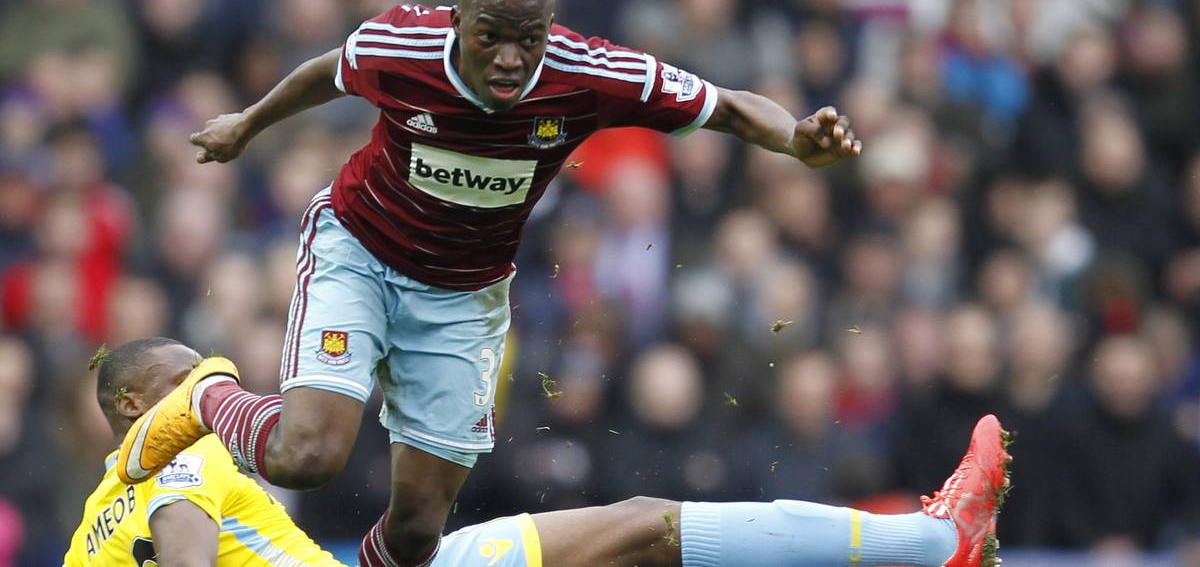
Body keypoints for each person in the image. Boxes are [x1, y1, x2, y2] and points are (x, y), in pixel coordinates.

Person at [116, 0, 865, 567]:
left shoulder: (592, 73)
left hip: (462, 299)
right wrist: (247, 124)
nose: (511, 59)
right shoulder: (399, 44)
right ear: (458, 18)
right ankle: (204, 394)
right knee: (304, 455)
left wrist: (796, 137)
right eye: (491, 36)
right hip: (360, 252)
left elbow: (728, 104)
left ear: (550, 29)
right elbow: (328, 71)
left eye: (529, 39)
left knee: (415, 534)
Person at [78, 338, 1011, 567]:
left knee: (636, 531)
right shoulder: (177, 455)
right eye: (186, 369)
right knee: (641, 529)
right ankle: (933, 545)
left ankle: (931, 545)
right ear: (134, 402)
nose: (208, 378)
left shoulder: (86, 533)